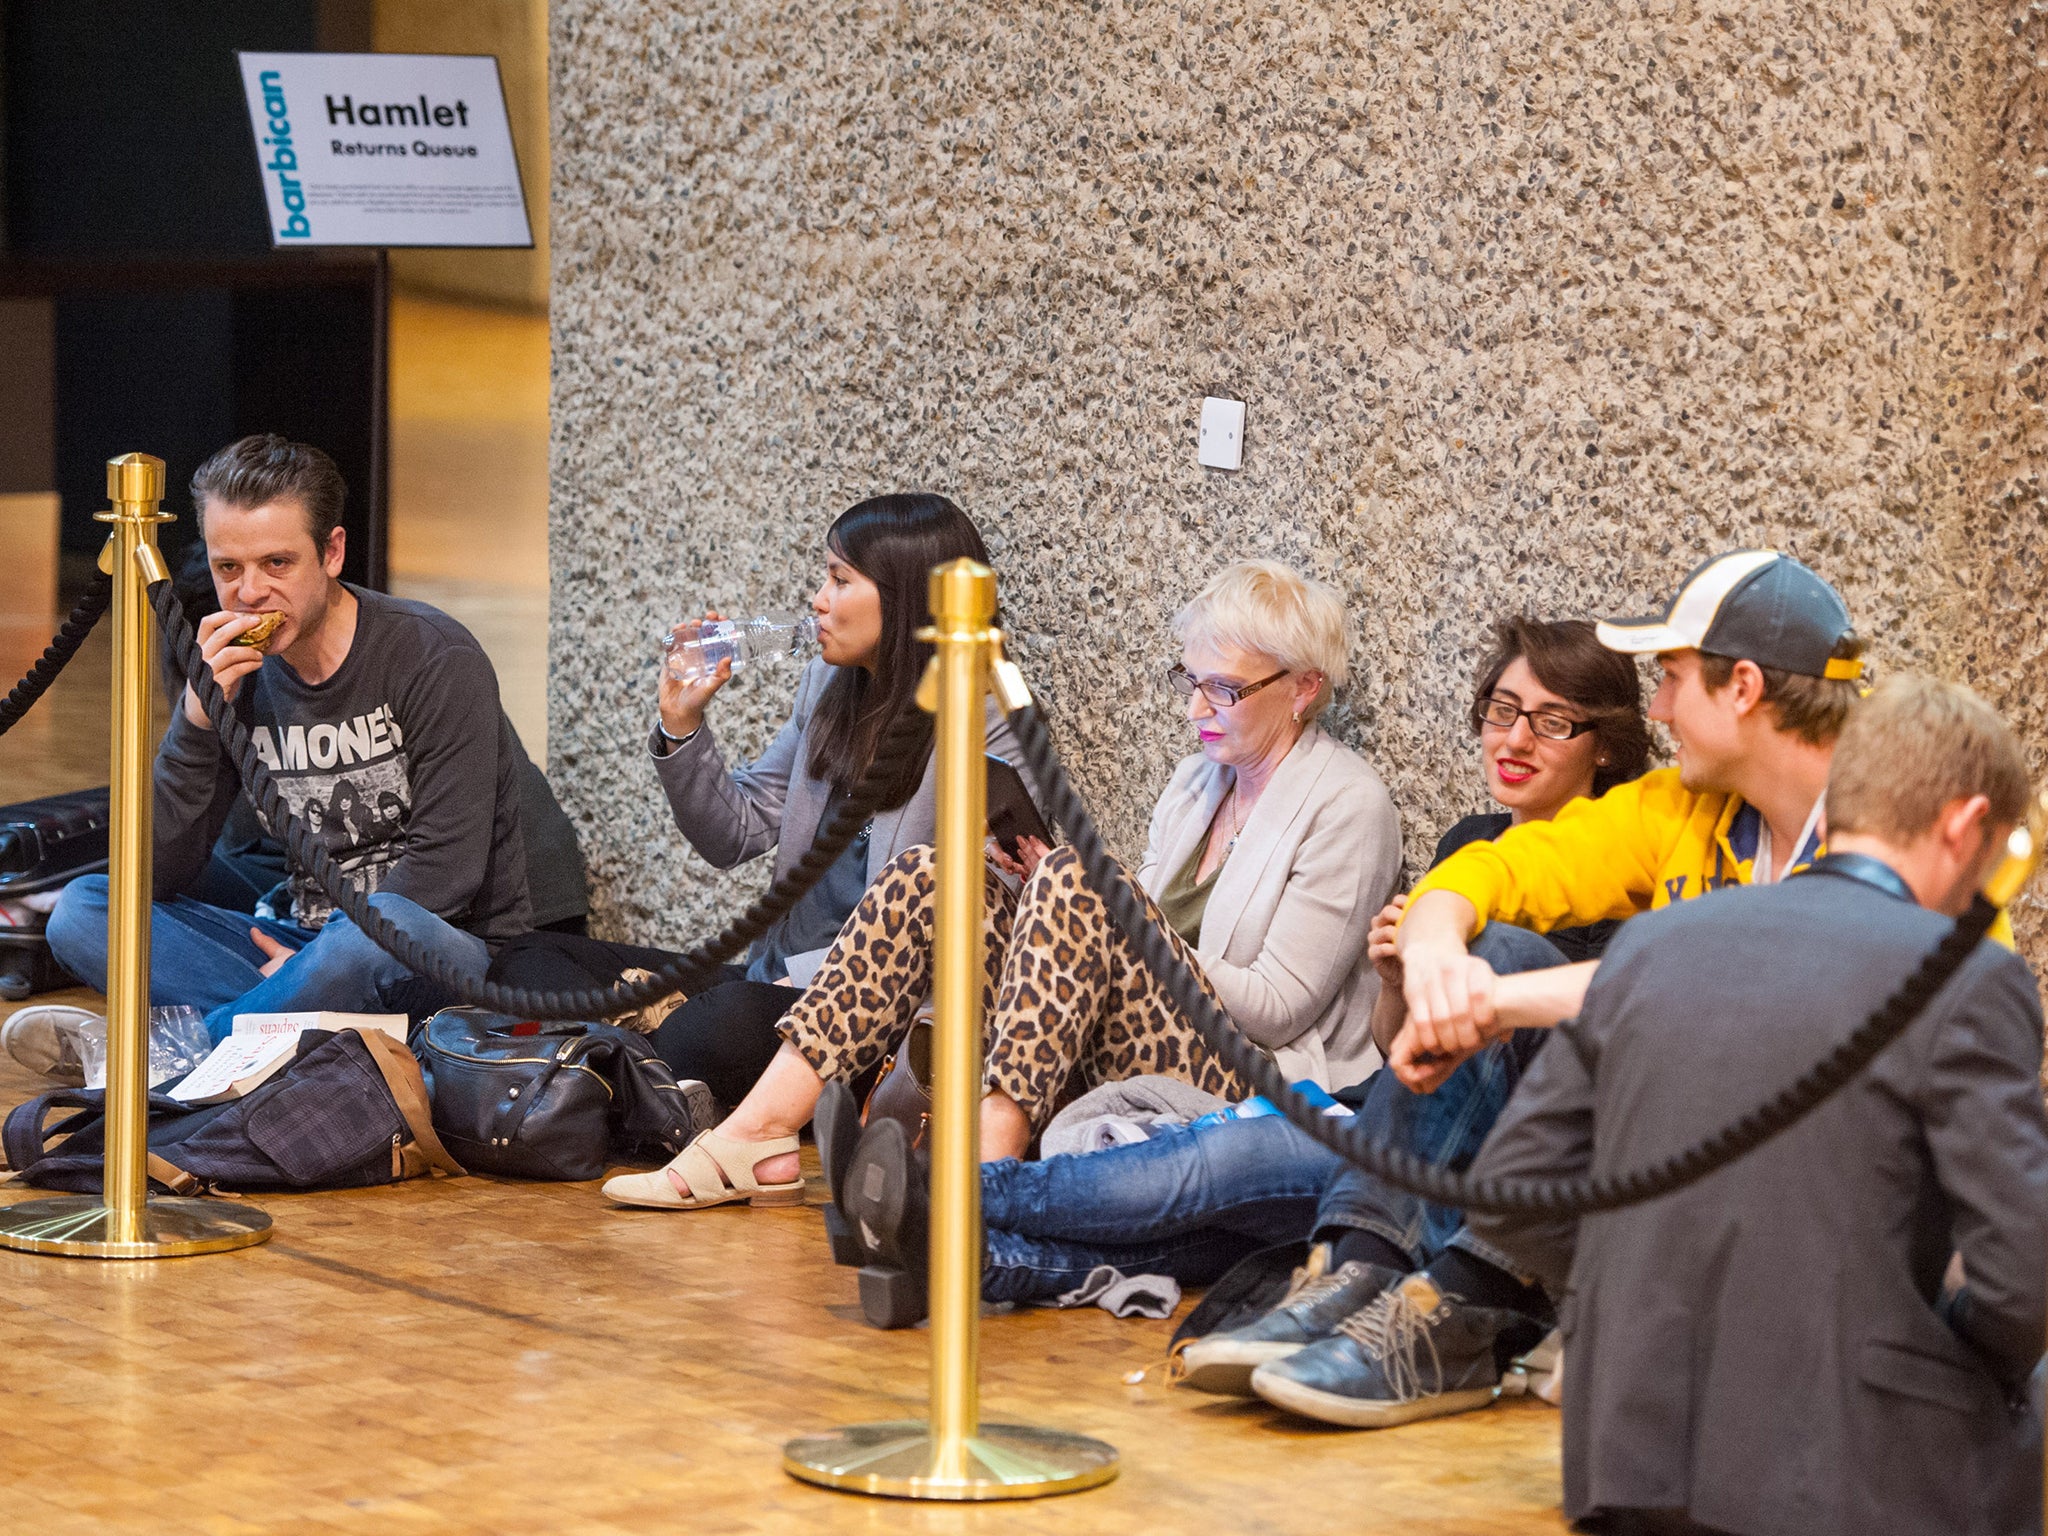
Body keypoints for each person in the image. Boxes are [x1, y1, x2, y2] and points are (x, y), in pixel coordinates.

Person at [1199, 549, 1895, 1429]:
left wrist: (1495, 1002)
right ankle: (1361, 1267)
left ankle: (1463, 1304)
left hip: (1819, 1164)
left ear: (1746, 688)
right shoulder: (1687, 807)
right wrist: (1443, 958)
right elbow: (1501, 865)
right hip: (1658, 1140)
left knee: (1578, 1008)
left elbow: (1754, 991)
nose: (1664, 708)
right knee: (1504, 947)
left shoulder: (1891, 822)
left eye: (1674, 679)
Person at [833, 616, 1650, 1326]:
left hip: (1456, 1144)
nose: (1513, 740)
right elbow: (1395, 1043)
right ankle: (963, 1256)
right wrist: (1397, 979)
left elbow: (1297, 1010)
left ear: (1606, 744)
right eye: (1502, 712)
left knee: (1209, 1167)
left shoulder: (1629, 887)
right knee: (1209, 1231)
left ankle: (947, 1197)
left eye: (1551, 724)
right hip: (1382, 1108)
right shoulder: (1470, 843)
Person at [601, 560, 1403, 1211]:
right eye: (1189, 681)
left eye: (1223, 689)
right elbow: (1140, 940)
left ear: (1303, 688)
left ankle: (986, 1174)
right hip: (1134, 1037)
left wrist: (1100, 908)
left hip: (1249, 1076)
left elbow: (1275, 1005)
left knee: (1076, 876)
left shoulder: (1347, 802)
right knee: (934, 876)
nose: (1197, 706)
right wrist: (1042, 901)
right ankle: (760, 1134)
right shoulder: (1199, 783)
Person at [1465, 675, 2046, 1536]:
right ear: (1965, 827)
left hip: (1630, 1450)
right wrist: (1946, 1339)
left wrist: (1642, 1294)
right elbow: (2025, 1274)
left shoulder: (1655, 945)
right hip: (1861, 1470)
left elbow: (1509, 1190)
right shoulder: (1968, 972)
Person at [486, 492, 1035, 1109]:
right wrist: (682, 725)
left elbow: (978, 917)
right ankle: (638, 1078)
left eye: (838, 580)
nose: (817, 600)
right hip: (765, 979)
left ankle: (592, 1071)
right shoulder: (830, 685)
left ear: (905, 597)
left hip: (862, 1017)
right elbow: (735, 832)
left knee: (708, 1027)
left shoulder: (985, 717)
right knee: (526, 960)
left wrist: (792, 979)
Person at [14, 434, 530, 1073]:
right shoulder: (239, 670)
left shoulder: (433, 657)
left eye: (277, 564)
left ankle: (179, 1057)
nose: (249, 592)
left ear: (332, 552)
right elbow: (158, 871)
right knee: (84, 912)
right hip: (300, 942)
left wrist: (323, 961)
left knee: (368, 939)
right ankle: (290, 1029)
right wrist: (197, 718)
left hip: (438, 953)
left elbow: (446, 875)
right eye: (229, 568)